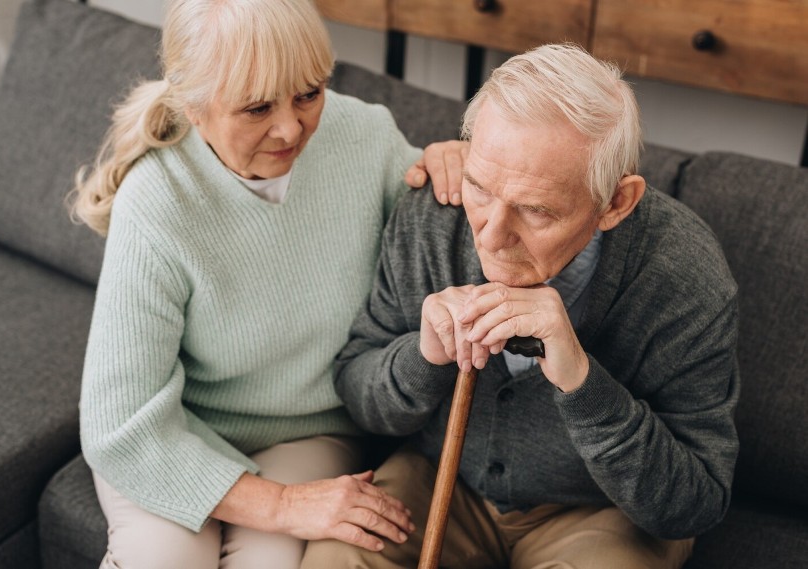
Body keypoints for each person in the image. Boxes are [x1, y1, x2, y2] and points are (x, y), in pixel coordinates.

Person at [301, 43, 740, 569]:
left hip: (600, 513)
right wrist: (423, 358)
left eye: (535, 211)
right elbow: (358, 394)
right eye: (481, 188)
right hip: (442, 476)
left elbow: (694, 504)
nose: (490, 235)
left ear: (615, 203)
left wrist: (582, 383)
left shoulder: (685, 274)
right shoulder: (434, 215)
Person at [71, 0, 463, 567]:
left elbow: (438, 226)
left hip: (308, 432)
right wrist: (281, 505)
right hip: (175, 431)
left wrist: (456, 164)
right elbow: (121, 427)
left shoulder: (363, 137)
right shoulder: (157, 200)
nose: (290, 127)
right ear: (193, 107)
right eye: (256, 108)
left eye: (309, 93)